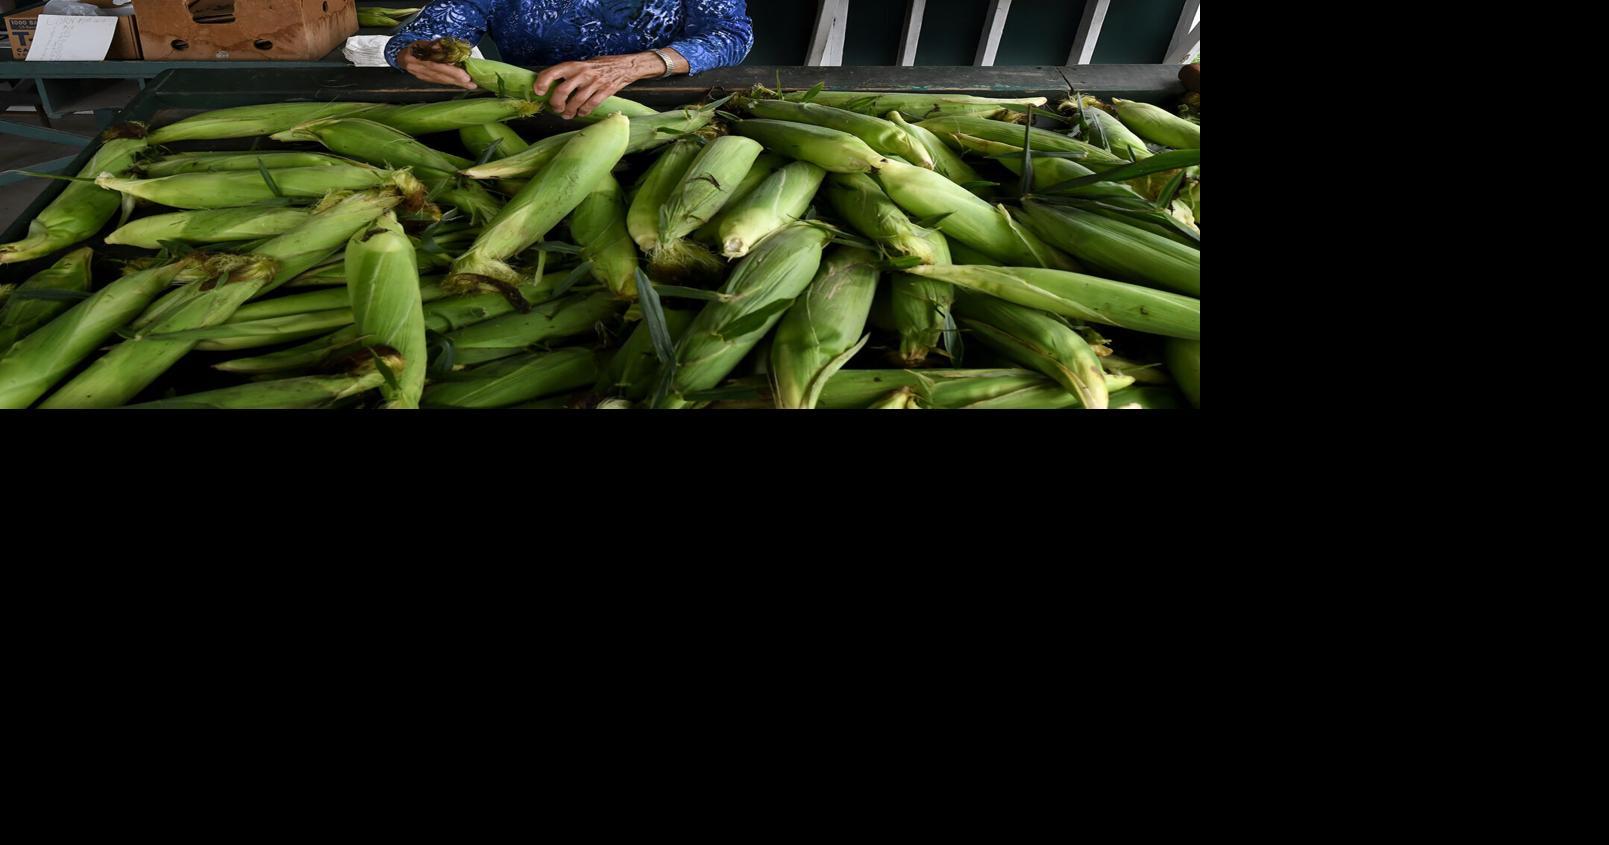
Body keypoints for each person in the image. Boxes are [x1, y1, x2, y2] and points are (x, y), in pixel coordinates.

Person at [389, 1, 754, 120]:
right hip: (533, 110)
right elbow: (431, 31)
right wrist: (413, 53)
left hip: (661, 112)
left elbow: (730, 34)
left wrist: (633, 65)